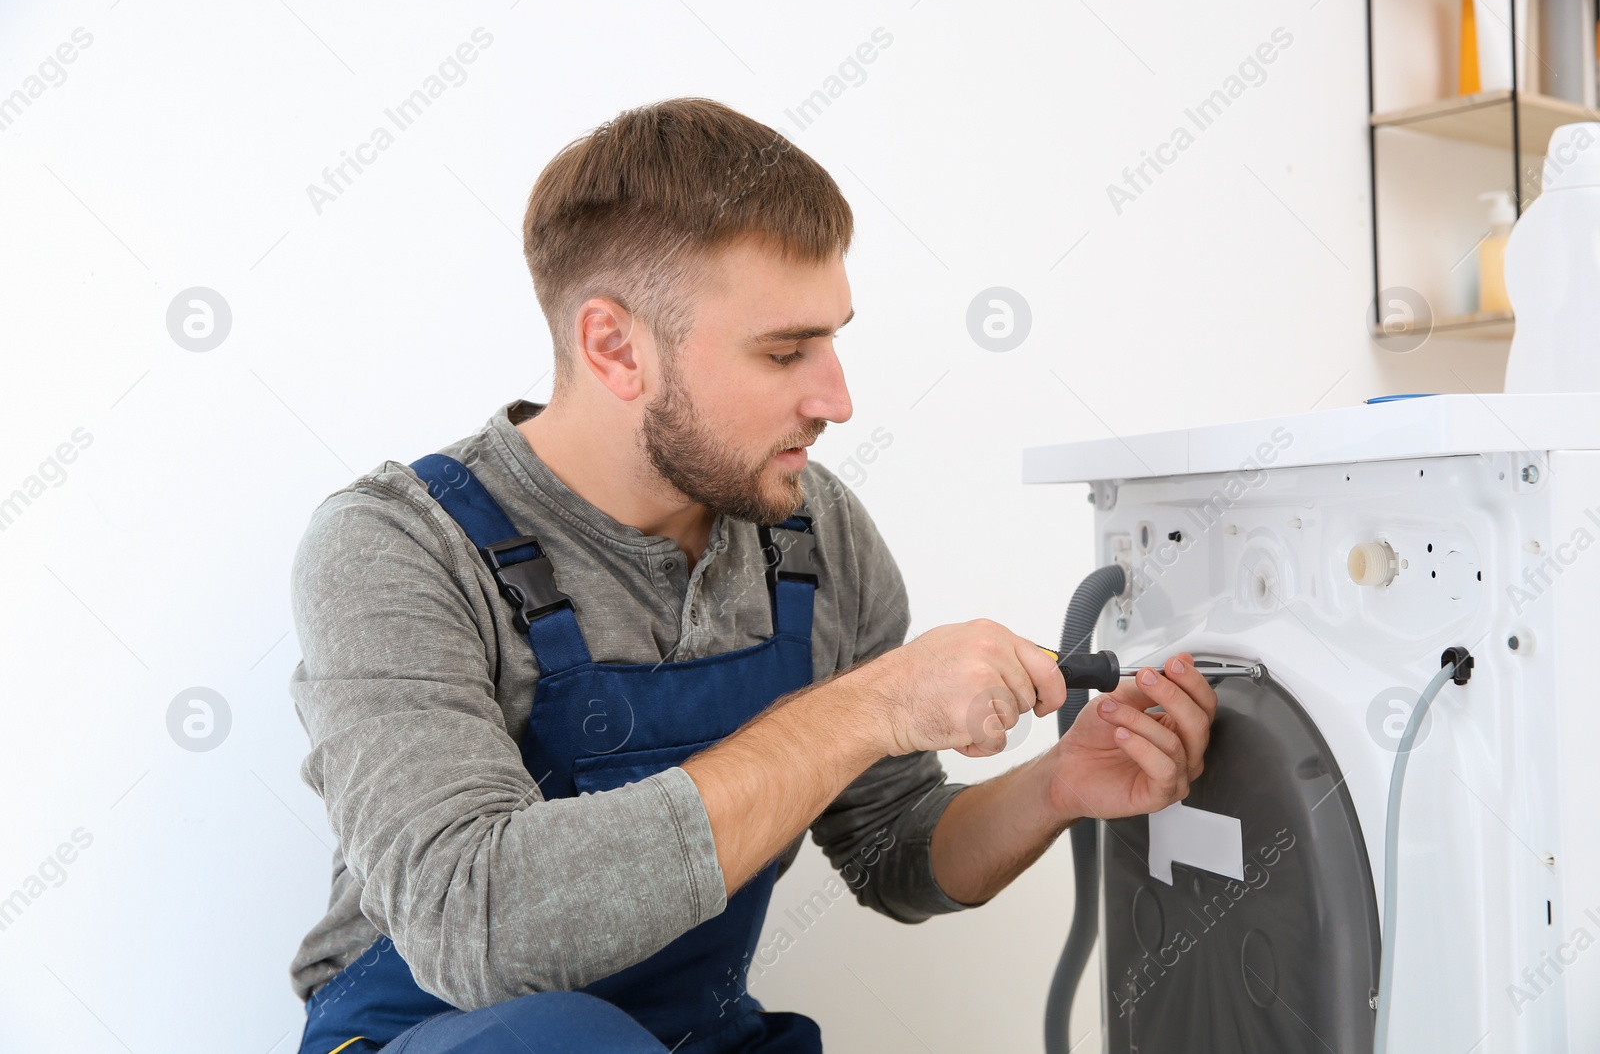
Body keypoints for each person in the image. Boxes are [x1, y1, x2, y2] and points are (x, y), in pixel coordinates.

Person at [286, 97, 1216, 1054]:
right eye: (784, 351)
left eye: (833, 337)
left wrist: (1058, 782)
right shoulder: (400, 547)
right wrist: (870, 706)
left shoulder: (815, 537)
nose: (838, 399)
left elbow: (893, 846)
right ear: (615, 347)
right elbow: (475, 927)